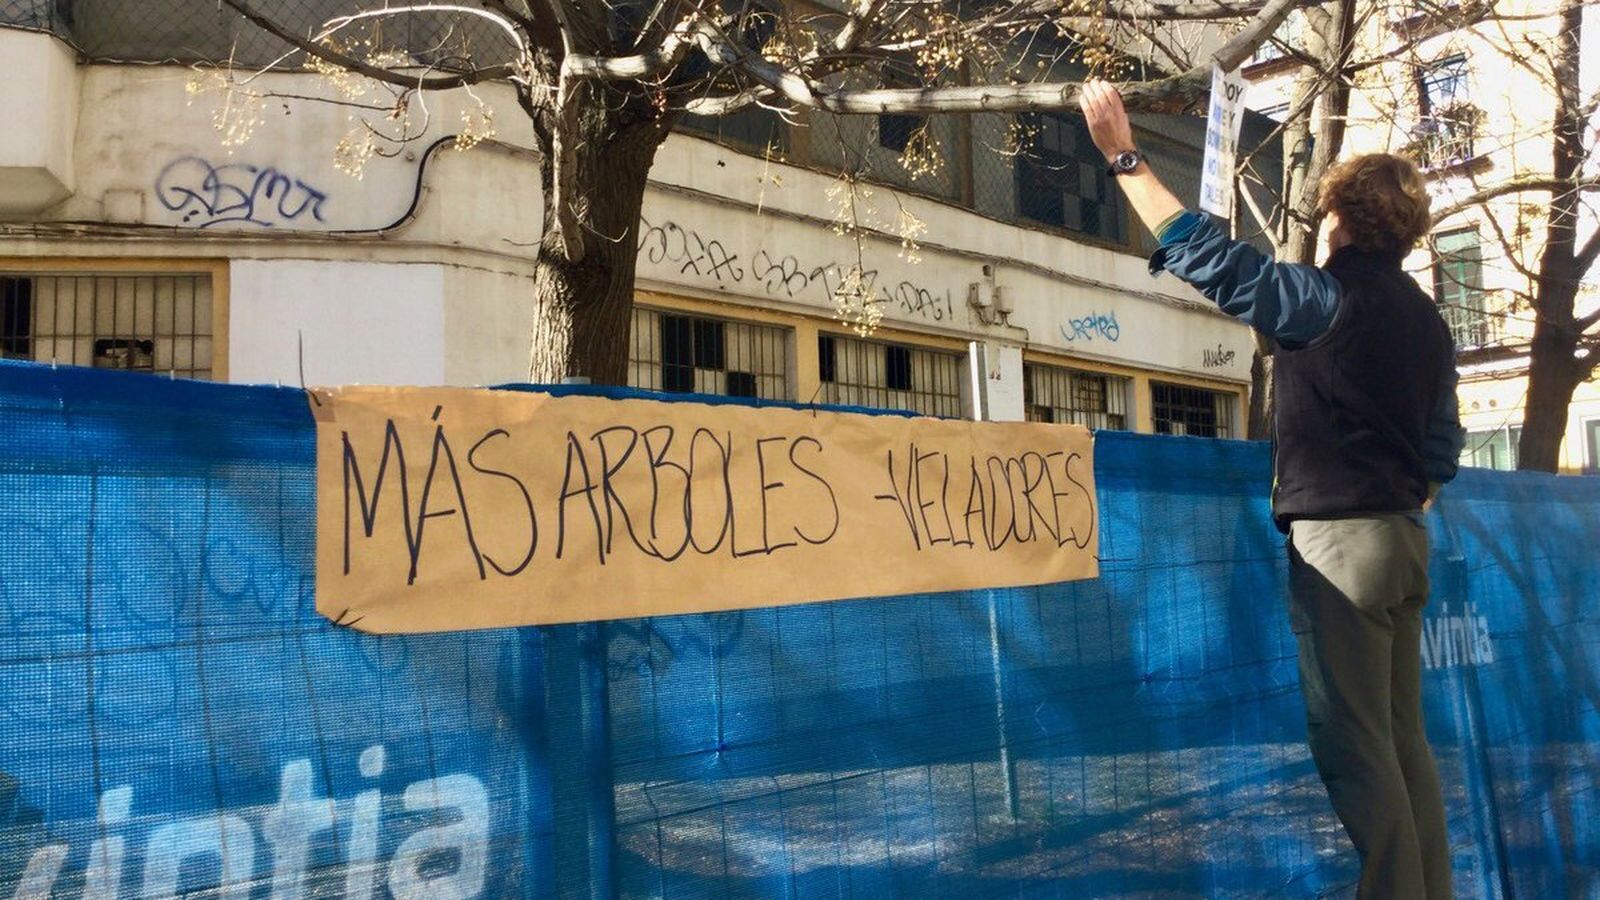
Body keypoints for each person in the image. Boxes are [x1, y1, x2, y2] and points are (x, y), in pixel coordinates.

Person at [1077, 80, 1465, 899]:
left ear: (1342, 217)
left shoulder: (1329, 299)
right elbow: (1443, 446)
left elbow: (1216, 263)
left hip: (1343, 548)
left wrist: (1124, 157)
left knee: (1355, 744)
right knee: (1403, 740)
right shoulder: (1429, 322)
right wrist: (1401, 494)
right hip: (1405, 540)